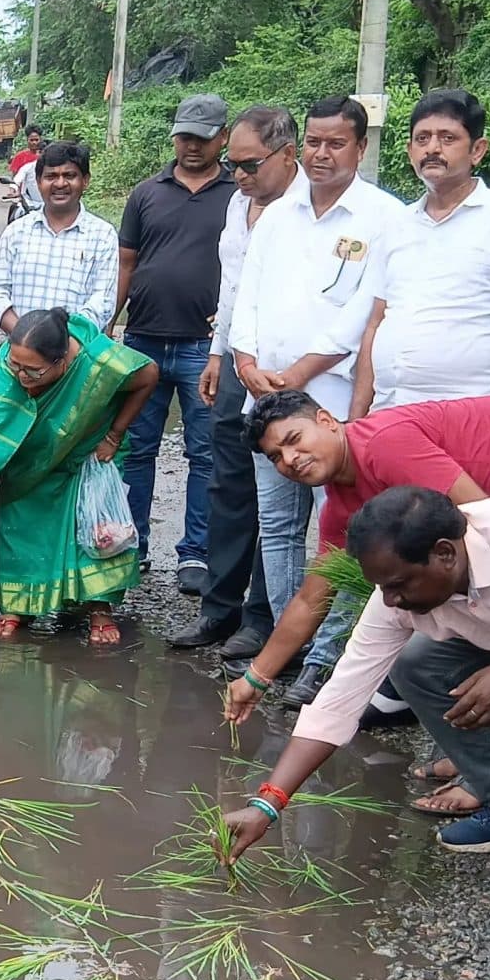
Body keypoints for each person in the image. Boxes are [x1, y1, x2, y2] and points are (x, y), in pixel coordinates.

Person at [222, 487, 490, 900]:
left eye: (399, 585)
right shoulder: (397, 594)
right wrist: (268, 803)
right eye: (381, 587)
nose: (391, 600)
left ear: (445, 554)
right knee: (415, 664)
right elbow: (341, 696)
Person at [231, 390, 490, 766]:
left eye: (293, 440)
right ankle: (481, 758)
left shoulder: (384, 445)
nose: (290, 460)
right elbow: (309, 599)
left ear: (328, 421)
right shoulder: (341, 506)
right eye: (276, 457)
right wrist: (256, 678)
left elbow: (482, 531)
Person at [224, 100, 403, 644]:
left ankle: (333, 651)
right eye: (314, 142)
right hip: (265, 399)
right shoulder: (279, 212)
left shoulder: (385, 218)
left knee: (343, 529)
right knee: (276, 526)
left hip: (332, 402)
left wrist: (299, 372)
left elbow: (367, 310)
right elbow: (246, 295)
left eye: (337, 143)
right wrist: (246, 360)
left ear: (361, 147)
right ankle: (288, 639)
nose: (322, 154)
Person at [0, 308, 160, 645]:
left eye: (33, 371)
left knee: (92, 530)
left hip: (87, 456)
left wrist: (114, 435)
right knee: (22, 522)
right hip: (28, 467)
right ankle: (19, 606)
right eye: (16, 365)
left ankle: (98, 606)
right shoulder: (7, 377)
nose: (22, 378)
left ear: (63, 361)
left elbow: (148, 374)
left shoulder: (95, 361)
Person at [174, 103, 309, 658]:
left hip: (289, 373)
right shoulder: (237, 204)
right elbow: (234, 289)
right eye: (234, 166)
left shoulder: (312, 212)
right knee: (228, 485)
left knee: (278, 496)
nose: (240, 176)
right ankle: (219, 608)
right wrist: (217, 354)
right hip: (237, 364)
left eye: (251, 166)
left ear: (287, 155)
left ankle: (264, 618)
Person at [339, 89, 490, 416]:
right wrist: (358, 419)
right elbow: (376, 321)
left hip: (468, 420)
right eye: (422, 138)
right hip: (388, 415)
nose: (432, 148)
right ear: (409, 150)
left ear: (478, 150)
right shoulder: (395, 223)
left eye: (447, 138)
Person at [113, 93, 235, 596]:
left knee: (204, 453)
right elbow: (127, 261)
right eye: (184, 137)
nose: (190, 146)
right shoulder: (147, 194)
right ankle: (132, 546)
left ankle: (195, 554)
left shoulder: (239, 195)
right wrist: (108, 324)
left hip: (203, 348)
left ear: (222, 139)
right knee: (134, 449)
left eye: (202, 139)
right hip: (142, 339)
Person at [0, 141, 117, 333]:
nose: (60, 183)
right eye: (51, 176)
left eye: (70, 175)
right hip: (19, 354)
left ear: (85, 181)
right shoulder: (16, 232)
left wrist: (64, 342)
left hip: (76, 354)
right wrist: (26, 337)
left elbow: (102, 301)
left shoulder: (103, 236)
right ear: (39, 182)